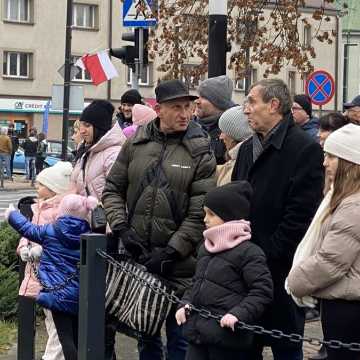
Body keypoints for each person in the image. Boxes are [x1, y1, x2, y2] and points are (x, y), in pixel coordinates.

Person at [102, 79, 217, 360]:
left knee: (179, 340)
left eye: (188, 107)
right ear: (158, 109)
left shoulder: (201, 150)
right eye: (176, 107)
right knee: (146, 336)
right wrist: (122, 228)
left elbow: (200, 211)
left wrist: (172, 250)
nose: (184, 114)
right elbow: (112, 189)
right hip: (139, 258)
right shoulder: (137, 142)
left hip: (180, 265)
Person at [232, 79, 324, 359]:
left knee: (286, 348)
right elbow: (235, 198)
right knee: (245, 347)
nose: (245, 110)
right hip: (245, 270)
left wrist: (268, 253)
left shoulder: (304, 149)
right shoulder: (248, 148)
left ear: (273, 105)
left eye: (251, 102)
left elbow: (301, 215)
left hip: (279, 271)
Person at [175, 181, 273, 360]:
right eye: (205, 213)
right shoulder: (205, 248)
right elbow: (197, 283)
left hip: (227, 339)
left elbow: (262, 291)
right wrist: (185, 304)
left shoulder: (249, 252)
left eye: (211, 214)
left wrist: (238, 314)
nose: (205, 219)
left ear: (229, 216)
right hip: (197, 335)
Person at [287, 123, 360, 360]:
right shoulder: (344, 199)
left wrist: (294, 281)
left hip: (348, 311)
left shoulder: (353, 206)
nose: (324, 163)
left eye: (331, 156)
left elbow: (331, 262)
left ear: (349, 162)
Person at [6, 194, 96, 360]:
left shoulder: (50, 231)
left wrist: (12, 214)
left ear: (62, 211)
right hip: (80, 294)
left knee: (65, 338)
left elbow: (27, 228)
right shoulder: (89, 234)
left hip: (56, 294)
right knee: (77, 336)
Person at [17, 161, 72, 360]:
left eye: (41, 184)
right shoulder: (38, 208)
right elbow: (27, 232)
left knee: (57, 321)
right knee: (51, 321)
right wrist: (23, 247)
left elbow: (63, 239)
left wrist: (43, 249)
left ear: (54, 188)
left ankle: (51, 357)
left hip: (55, 275)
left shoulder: (62, 212)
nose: (36, 188)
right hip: (39, 272)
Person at [71, 100, 126, 201]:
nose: (82, 131)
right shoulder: (87, 151)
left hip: (105, 216)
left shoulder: (114, 154)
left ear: (100, 128)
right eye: (81, 125)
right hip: (86, 215)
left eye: (87, 125)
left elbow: (118, 196)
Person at [195, 75, 235, 165]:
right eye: (198, 96)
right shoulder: (190, 126)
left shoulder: (233, 131)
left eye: (204, 97)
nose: (197, 101)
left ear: (218, 103)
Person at [216, 106, 253, 186]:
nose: (221, 137)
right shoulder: (234, 161)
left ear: (235, 135)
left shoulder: (238, 167)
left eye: (224, 132)